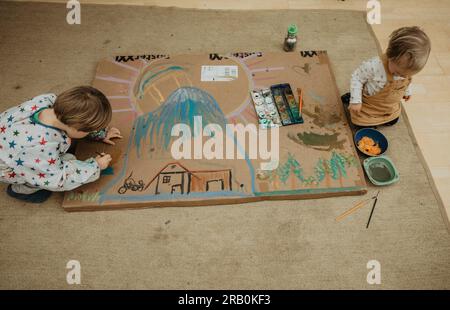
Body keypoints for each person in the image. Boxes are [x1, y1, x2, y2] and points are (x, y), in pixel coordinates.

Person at [0, 86, 122, 203]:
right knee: (65, 163)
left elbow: (78, 118)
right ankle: (20, 191)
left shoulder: (48, 101)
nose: (91, 131)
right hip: (11, 165)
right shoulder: (40, 147)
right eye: (89, 130)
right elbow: (57, 179)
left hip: (10, 142)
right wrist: (95, 166)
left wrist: (100, 133)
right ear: (76, 128)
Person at [342, 26, 431, 128]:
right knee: (358, 123)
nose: (402, 76)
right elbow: (357, 78)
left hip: (388, 106)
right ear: (390, 56)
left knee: (393, 120)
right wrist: (356, 101)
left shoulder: (405, 72)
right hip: (369, 104)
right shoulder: (374, 66)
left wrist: (407, 91)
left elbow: (407, 82)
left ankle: (380, 116)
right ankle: (351, 97)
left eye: (406, 75)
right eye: (398, 73)